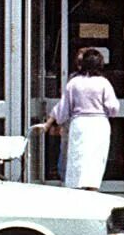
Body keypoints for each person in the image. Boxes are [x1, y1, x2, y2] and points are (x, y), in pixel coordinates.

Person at [48, 47, 120, 191]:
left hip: (79, 124)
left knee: (77, 160)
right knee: (95, 162)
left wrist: (53, 122)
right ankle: (92, 191)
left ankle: (77, 194)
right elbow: (113, 108)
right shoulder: (103, 83)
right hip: (99, 124)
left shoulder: (74, 83)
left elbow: (63, 109)